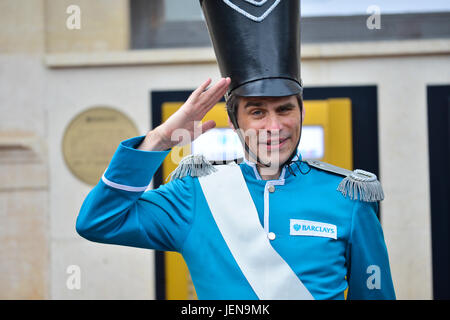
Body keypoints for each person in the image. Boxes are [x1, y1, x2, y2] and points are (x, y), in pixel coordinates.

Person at [76, 0, 396, 300]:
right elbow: (98, 221)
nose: (274, 126)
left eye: (284, 109)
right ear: (233, 120)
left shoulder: (346, 197)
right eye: (257, 112)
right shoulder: (194, 194)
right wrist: (161, 139)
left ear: (301, 111)